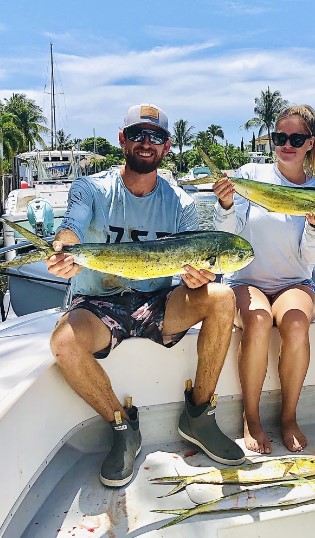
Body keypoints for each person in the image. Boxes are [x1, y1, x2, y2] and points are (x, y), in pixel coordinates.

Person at [46, 103, 245, 488]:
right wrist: (64, 248)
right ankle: (122, 426)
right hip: (97, 303)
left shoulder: (182, 202)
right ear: (122, 140)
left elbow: (197, 265)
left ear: (167, 147)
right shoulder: (91, 187)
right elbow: (71, 228)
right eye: (137, 134)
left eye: (155, 137)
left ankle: (199, 415)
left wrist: (198, 279)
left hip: (156, 302)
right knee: (64, 342)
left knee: (221, 296)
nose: (145, 143)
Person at [213, 105, 315, 454]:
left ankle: (289, 416)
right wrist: (224, 206)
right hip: (245, 281)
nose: (287, 145)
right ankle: (251, 417)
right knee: (258, 320)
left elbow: (313, 259)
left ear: (310, 143)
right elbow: (229, 236)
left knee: (295, 324)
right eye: (281, 137)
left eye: (297, 138)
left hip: (294, 283)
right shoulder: (250, 174)